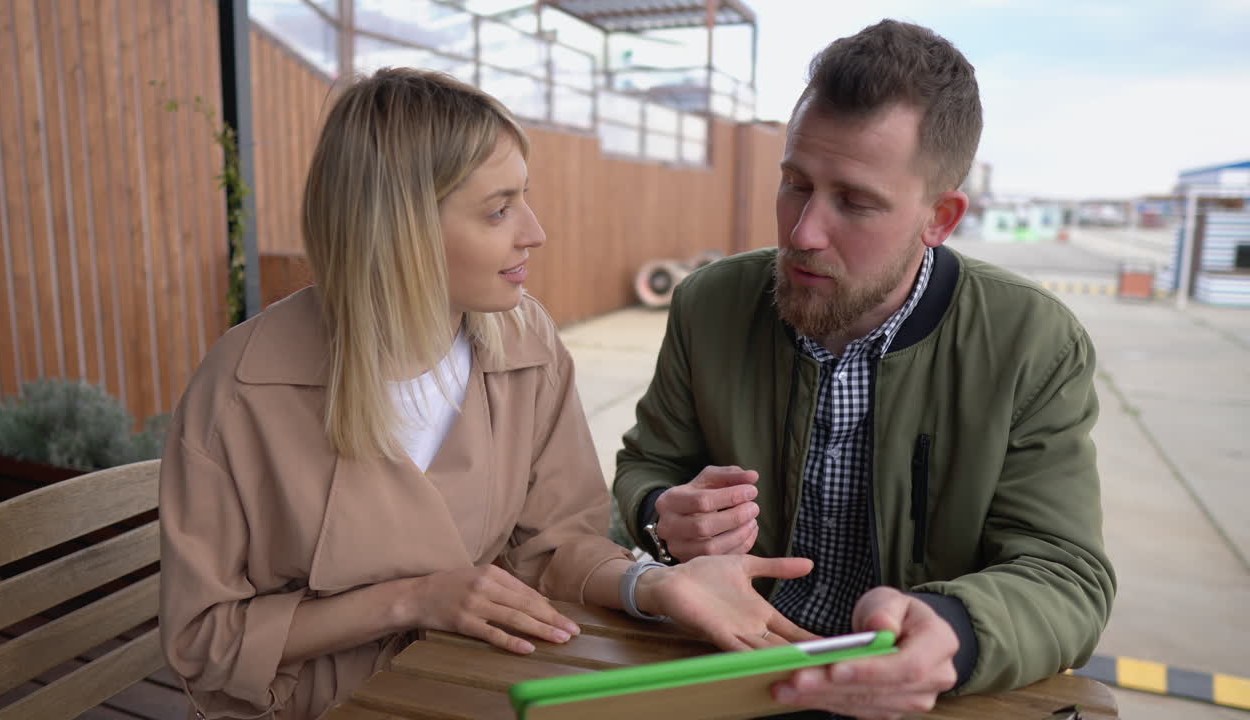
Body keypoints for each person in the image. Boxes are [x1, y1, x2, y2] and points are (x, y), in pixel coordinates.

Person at [159, 68, 814, 720]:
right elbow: (202, 641)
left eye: (523, 198)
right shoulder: (242, 389)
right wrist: (413, 599)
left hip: (475, 682)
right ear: (399, 229)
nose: (534, 231)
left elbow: (552, 549)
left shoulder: (525, 344)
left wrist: (657, 585)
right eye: (499, 209)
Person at [614, 20, 1116, 719]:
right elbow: (643, 471)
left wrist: (956, 628)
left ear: (940, 217)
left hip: (917, 696)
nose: (802, 233)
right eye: (794, 184)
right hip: (731, 661)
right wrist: (660, 515)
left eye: (854, 202)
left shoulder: (1031, 340)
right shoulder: (710, 303)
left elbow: (1067, 575)